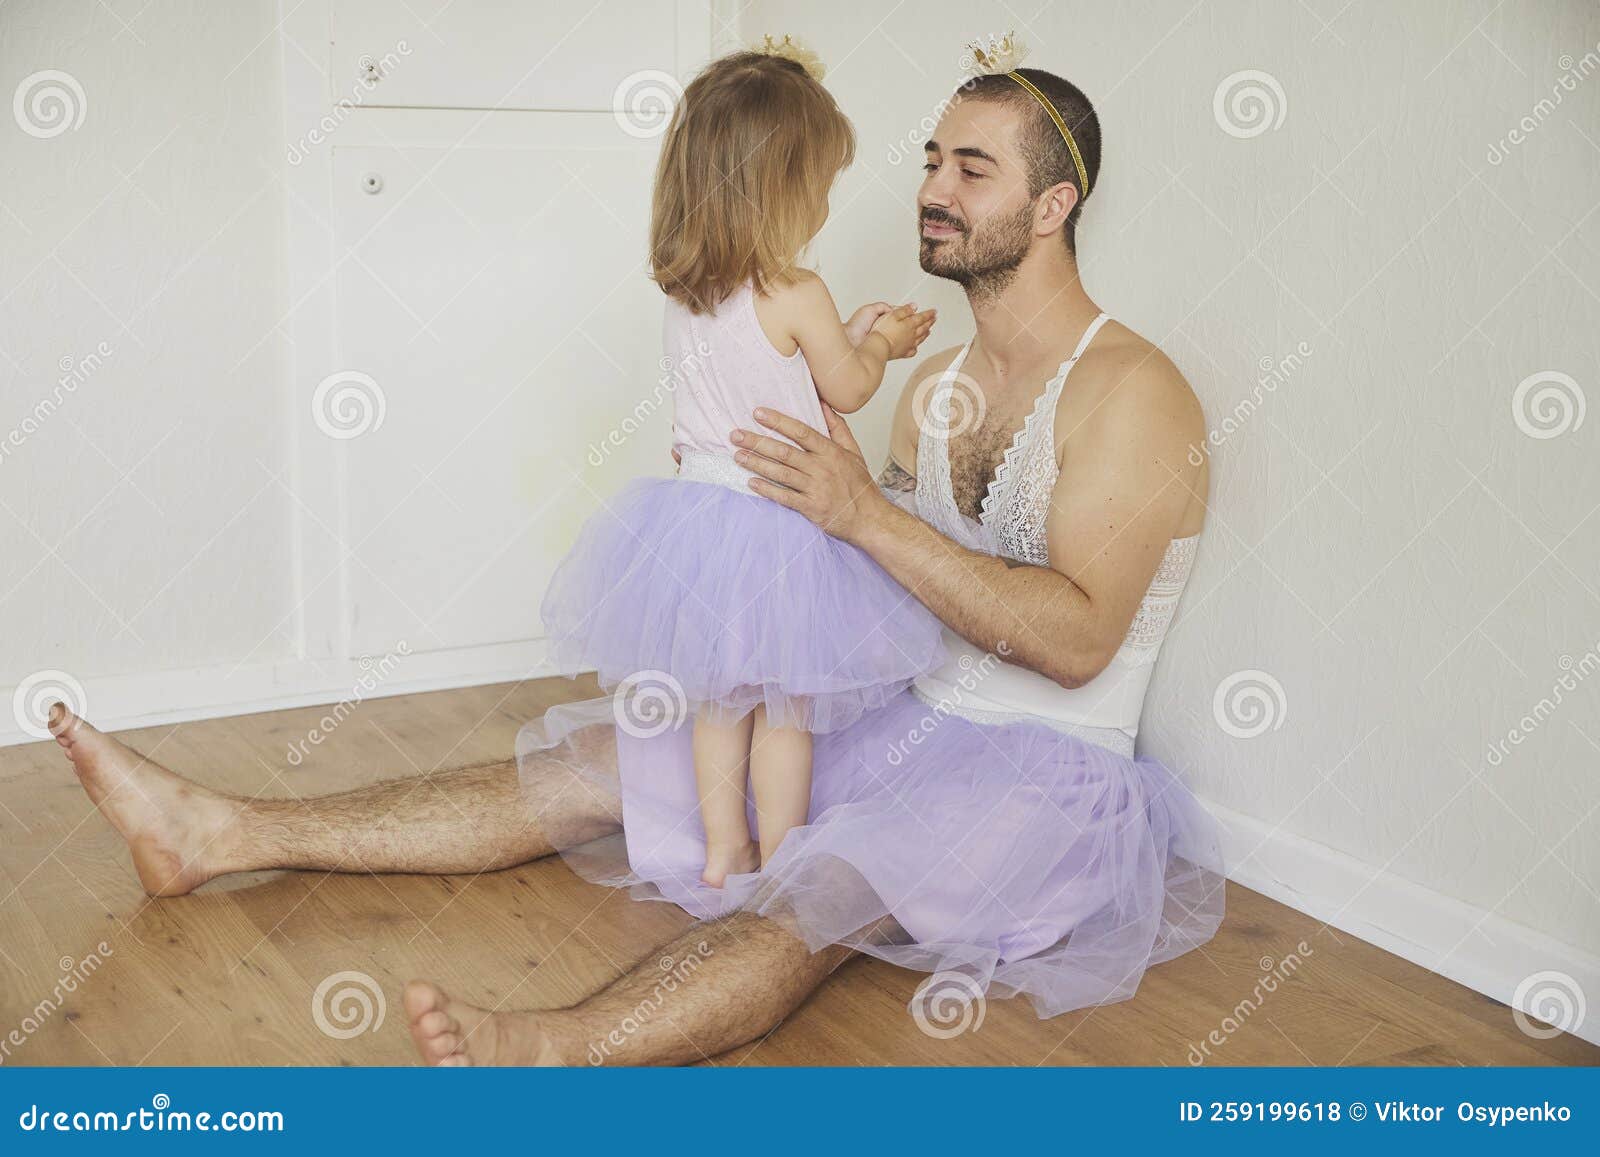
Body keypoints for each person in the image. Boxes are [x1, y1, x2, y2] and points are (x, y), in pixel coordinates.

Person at [48, 48, 1224, 1067]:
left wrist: (860, 514)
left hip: (1042, 773)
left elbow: (1074, 643)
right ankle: (224, 831)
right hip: (906, 713)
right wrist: (761, 502)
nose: (930, 189)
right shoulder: (934, 386)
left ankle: (555, 1044)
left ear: (1055, 201)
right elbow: (895, 582)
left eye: (972, 169)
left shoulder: (1132, 394)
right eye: (930, 158)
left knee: (809, 896)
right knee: (607, 758)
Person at [540, 45, 942, 890]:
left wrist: (849, 332)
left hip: (700, 521)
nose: (828, 204)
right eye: (822, 185)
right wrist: (882, 342)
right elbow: (849, 388)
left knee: (720, 706)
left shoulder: (687, 296)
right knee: (787, 713)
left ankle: (724, 850)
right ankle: (787, 857)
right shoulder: (796, 291)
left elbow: (724, 399)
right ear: (783, 186)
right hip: (781, 526)